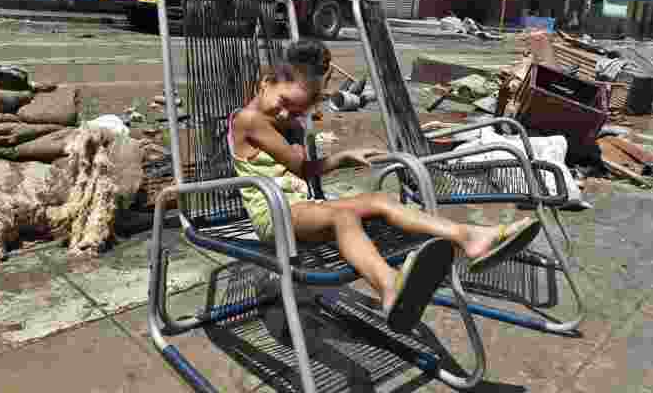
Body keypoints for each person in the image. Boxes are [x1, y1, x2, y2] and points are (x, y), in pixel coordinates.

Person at [229, 39, 541, 330]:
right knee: (343, 216)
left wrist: (302, 118)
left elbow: (300, 163)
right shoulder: (249, 119)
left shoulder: (284, 122)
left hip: (301, 210)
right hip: (274, 216)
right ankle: (388, 286)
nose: (285, 113)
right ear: (267, 81)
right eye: (283, 103)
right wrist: (343, 157)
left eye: (295, 110)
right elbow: (303, 168)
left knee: (379, 199)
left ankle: (471, 237)